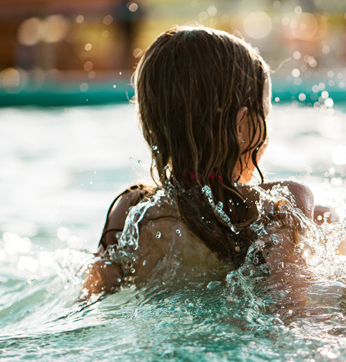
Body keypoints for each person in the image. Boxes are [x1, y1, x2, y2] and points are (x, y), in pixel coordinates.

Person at [82, 26, 314, 303]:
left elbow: (89, 299)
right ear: (242, 126)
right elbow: (293, 306)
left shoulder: (131, 211)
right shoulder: (280, 203)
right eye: (265, 115)